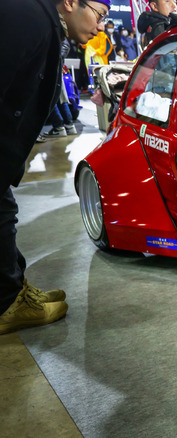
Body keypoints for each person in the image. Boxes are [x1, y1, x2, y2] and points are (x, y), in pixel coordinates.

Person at [0, 0, 108, 334]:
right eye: (99, 15)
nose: (101, 27)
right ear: (72, 3)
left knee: (3, 210)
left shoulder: (39, 19)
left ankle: (11, 291)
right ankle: (6, 304)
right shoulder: (28, 17)